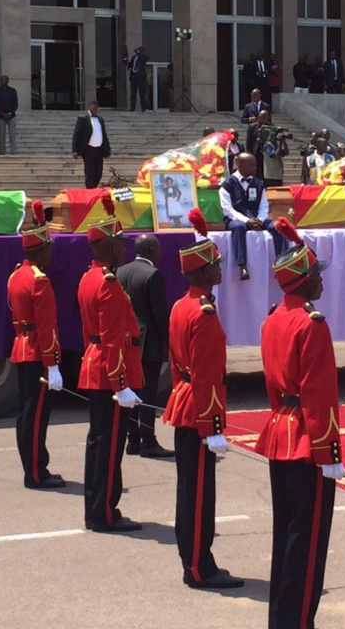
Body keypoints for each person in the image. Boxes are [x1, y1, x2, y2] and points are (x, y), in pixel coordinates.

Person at [256, 218, 342, 629]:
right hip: (307, 439)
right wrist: (329, 451)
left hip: (280, 431)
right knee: (306, 543)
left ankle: (283, 618)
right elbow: (320, 393)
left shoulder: (272, 318)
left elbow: (276, 386)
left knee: (286, 535)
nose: (321, 283)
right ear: (303, 282)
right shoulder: (312, 324)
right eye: (315, 277)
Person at [163, 209, 245, 590]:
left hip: (184, 400)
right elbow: (209, 375)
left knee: (189, 487)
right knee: (197, 493)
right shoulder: (204, 314)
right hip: (198, 410)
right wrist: (213, 426)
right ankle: (198, 565)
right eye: (215, 266)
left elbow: (176, 363)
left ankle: (195, 558)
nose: (219, 271)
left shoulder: (182, 305)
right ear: (202, 273)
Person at [77, 193, 145, 533]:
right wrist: (122, 385)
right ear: (106, 248)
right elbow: (112, 338)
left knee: (99, 441)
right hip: (109, 373)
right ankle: (102, 512)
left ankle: (98, 507)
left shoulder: (91, 278)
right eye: (120, 243)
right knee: (108, 445)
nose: (125, 249)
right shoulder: (107, 284)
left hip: (96, 365)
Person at [8, 200, 66, 490]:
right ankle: (35, 471)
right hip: (36, 353)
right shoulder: (39, 280)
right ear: (41, 249)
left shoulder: (17, 274)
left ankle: (34, 466)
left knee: (27, 414)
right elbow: (47, 327)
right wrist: (53, 363)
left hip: (21, 345)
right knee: (36, 416)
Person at [116, 234, 175, 459]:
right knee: (148, 393)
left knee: (131, 391)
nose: (160, 253)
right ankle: (148, 440)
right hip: (148, 342)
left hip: (128, 341)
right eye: (158, 248)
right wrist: (170, 343)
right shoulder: (153, 274)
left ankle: (133, 440)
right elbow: (160, 314)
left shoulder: (121, 271)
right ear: (151, 250)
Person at [218, 153, 286, 281]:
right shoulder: (227, 184)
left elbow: (264, 206)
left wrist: (259, 219)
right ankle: (242, 265)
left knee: (278, 226)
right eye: (251, 165)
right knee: (238, 227)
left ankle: (281, 262)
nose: (255, 168)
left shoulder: (258, 183)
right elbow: (228, 209)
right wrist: (246, 221)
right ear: (239, 165)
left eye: (255, 165)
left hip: (257, 217)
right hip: (235, 218)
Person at [72, 101, 111, 189]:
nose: (95, 110)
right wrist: (75, 150)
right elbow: (76, 134)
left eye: (97, 108)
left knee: (99, 172)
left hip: (99, 150)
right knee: (90, 172)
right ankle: (90, 189)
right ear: (90, 107)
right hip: (88, 150)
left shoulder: (100, 120)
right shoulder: (83, 119)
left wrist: (107, 150)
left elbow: (104, 135)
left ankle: (94, 187)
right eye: (94, 107)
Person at [254, 112, 289, 188]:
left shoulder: (277, 144)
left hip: (278, 174)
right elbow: (274, 156)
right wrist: (279, 142)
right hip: (270, 175)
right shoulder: (268, 145)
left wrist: (284, 142)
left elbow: (286, 153)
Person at [240, 88, 270, 157]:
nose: (252, 97)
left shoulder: (266, 106)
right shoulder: (248, 106)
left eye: (254, 95)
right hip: (253, 130)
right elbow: (242, 120)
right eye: (252, 96)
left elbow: (269, 119)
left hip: (264, 130)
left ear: (259, 96)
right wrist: (250, 119)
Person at [0, 75, 18, 155]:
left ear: (7, 81)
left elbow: (15, 104)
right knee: (1, 134)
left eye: (4, 80)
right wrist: (2, 113)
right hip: (1, 116)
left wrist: (11, 113)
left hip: (11, 116)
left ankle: (13, 151)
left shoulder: (13, 91)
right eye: (1, 80)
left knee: (12, 134)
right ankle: (2, 151)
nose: (2, 81)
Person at [127, 45, 148, 111]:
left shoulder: (144, 57)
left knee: (142, 93)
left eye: (139, 50)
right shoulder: (133, 57)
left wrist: (140, 54)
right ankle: (132, 108)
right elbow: (130, 64)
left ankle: (143, 108)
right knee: (133, 93)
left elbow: (144, 59)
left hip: (140, 77)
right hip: (134, 76)